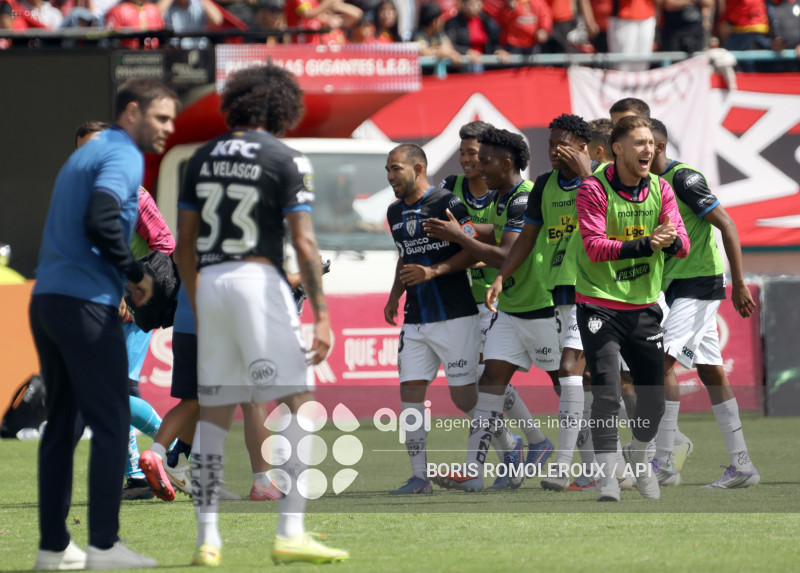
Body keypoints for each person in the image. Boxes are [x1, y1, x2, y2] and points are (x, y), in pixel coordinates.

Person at [174, 63, 348, 566]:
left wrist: (199, 296)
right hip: (258, 280)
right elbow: (305, 242)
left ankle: (207, 540)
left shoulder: (200, 157)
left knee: (214, 413)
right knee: (298, 400)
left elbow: (185, 245)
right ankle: (290, 530)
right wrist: (321, 315)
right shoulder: (286, 156)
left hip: (210, 285)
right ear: (282, 107)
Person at [30, 78, 177, 570]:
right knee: (113, 416)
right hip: (88, 303)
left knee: (63, 425)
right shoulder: (121, 156)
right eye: (161, 118)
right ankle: (104, 547)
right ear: (132, 113)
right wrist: (133, 276)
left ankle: (53, 549)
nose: (168, 128)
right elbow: (101, 218)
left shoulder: (78, 165)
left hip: (48, 301)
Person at [426, 127, 559, 492]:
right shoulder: (503, 198)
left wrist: (460, 237)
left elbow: (506, 255)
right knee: (489, 384)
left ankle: (598, 462)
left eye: (483, 159)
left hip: (543, 308)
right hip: (510, 309)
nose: (477, 166)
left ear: (505, 162)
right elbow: (494, 232)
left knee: (570, 387)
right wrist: (463, 229)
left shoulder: (524, 198)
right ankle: (474, 470)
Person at [574, 115, 689, 502]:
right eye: (639, 143)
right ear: (617, 149)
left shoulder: (661, 188)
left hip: (644, 308)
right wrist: (649, 243)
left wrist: (669, 241)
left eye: (652, 144)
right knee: (606, 392)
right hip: (598, 307)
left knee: (653, 400)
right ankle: (609, 480)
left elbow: (682, 244)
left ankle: (641, 465)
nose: (648, 150)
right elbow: (594, 246)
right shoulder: (593, 188)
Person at [482, 115, 594, 492]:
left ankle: (564, 465)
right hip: (560, 290)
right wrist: (500, 276)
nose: (555, 150)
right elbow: (527, 239)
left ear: (583, 146)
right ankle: (599, 464)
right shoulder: (545, 185)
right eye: (551, 144)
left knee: (573, 372)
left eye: (563, 143)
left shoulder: (604, 180)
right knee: (583, 379)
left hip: (596, 288)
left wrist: (589, 176)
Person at [648, 118, 760, 489]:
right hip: (674, 286)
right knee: (711, 371)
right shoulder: (647, 185)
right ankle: (742, 466)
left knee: (656, 361)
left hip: (700, 283)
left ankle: (663, 459)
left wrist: (739, 283)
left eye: (642, 142)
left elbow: (726, 223)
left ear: (657, 146)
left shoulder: (684, 178)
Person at [383, 143, 487, 495]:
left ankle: (511, 443)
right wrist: (394, 294)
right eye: (388, 170)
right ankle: (419, 476)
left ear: (419, 167)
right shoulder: (394, 211)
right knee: (410, 391)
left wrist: (433, 272)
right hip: (416, 318)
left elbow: (474, 251)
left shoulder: (447, 202)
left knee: (465, 400)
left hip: (455, 315)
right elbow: (404, 257)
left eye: (395, 168)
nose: (390, 176)